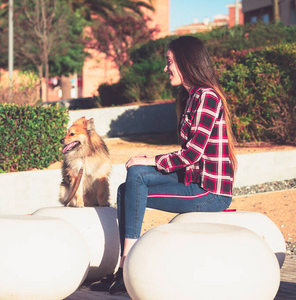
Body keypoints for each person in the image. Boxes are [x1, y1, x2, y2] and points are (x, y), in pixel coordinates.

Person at [90, 35, 237, 295]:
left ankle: (127, 268)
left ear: (185, 61)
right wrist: (147, 162)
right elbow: (187, 154)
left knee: (137, 175)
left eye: (169, 61)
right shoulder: (190, 97)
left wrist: (151, 160)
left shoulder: (207, 97)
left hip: (209, 192)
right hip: (191, 181)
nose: (165, 68)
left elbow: (192, 153)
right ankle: (125, 268)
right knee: (130, 183)